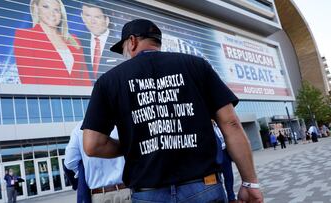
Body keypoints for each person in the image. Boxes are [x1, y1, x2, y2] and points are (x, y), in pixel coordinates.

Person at [82, 19, 263, 203]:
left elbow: (92, 145)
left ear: (132, 41)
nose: (123, 55)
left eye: (123, 49)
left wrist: (134, 144)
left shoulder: (109, 81)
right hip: (204, 186)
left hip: (148, 193)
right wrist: (250, 183)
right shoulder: (197, 65)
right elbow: (230, 123)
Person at [14, 0, 91, 86]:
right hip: (48, 98)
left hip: (77, 97)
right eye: (46, 7)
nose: (52, 13)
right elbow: (28, 81)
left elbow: (85, 78)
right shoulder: (25, 36)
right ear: (36, 8)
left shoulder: (73, 40)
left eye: (56, 10)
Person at [64, 121, 131, 203]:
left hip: (98, 195)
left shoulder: (80, 127)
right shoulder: (121, 121)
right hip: (126, 191)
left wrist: (85, 172)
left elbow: (69, 162)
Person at [80, 0, 121, 81]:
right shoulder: (80, 42)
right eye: (88, 16)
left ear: (107, 20)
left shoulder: (120, 45)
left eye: (97, 17)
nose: (92, 21)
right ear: (82, 17)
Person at [213, 121, 236, 203]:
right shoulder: (207, 127)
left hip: (225, 152)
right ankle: (221, 198)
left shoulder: (219, 125)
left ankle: (231, 198)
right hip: (215, 155)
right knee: (218, 179)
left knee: (229, 176)